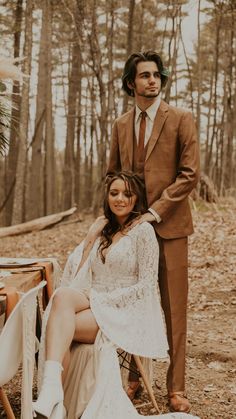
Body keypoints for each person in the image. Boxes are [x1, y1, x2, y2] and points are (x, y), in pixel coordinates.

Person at [33, 171, 199, 419]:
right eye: (114, 193)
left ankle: (55, 400)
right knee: (62, 298)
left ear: (136, 199)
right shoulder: (104, 229)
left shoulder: (143, 232)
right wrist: (90, 239)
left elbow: (145, 287)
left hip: (125, 310)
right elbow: (73, 279)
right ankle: (53, 393)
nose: (119, 199)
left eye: (127, 194)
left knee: (60, 324)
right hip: (94, 299)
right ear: (107, 196)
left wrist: (102, 300)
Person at [107, 51, 200, 413]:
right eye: (144, 75)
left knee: (173, 309)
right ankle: (135, 379)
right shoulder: (120, 124)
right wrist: (122, 215)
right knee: (133, 302)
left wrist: (155, 212)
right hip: (130, 231)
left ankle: (175, 387)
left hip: (171, 229)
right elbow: (113, 174)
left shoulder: (180, 118)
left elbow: (189, 175)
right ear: (131, 82)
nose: (152, 80)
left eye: (156, 75)